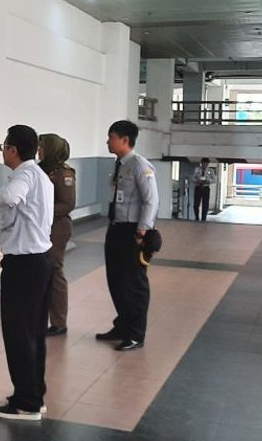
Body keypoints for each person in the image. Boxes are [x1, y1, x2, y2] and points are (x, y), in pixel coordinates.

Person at [0, 125, 54, 422]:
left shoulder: (24, 175)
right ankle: (34, 395)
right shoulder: (41, 175)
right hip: (40, 261)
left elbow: (10, 198)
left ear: (13, 150)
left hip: (24, 265)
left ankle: (26, 403)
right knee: (34, 333)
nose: (3, 151)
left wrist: (0, 195)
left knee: (18, 333)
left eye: (4, 146)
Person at [96, 120, 159, 351]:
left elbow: (151, 200)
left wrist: (142, 230)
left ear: (125, 140)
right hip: (116, 228)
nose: (108, 142)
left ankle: (135, 333)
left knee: (133, 283)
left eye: (111, 137)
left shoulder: (140, 165)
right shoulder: (120, 164)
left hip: (133, 231)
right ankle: (122, 326)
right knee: (116, 280)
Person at [38, 133, 76, 337]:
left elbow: (68, 204)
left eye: (42, 147)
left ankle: (59, 322)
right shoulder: (40, 169)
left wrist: (41, 210)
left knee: (54, 271)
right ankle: (40, 318)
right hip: (41, 227)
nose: (39, 150)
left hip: (57, 228)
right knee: (42, 272)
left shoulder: (63, 173)